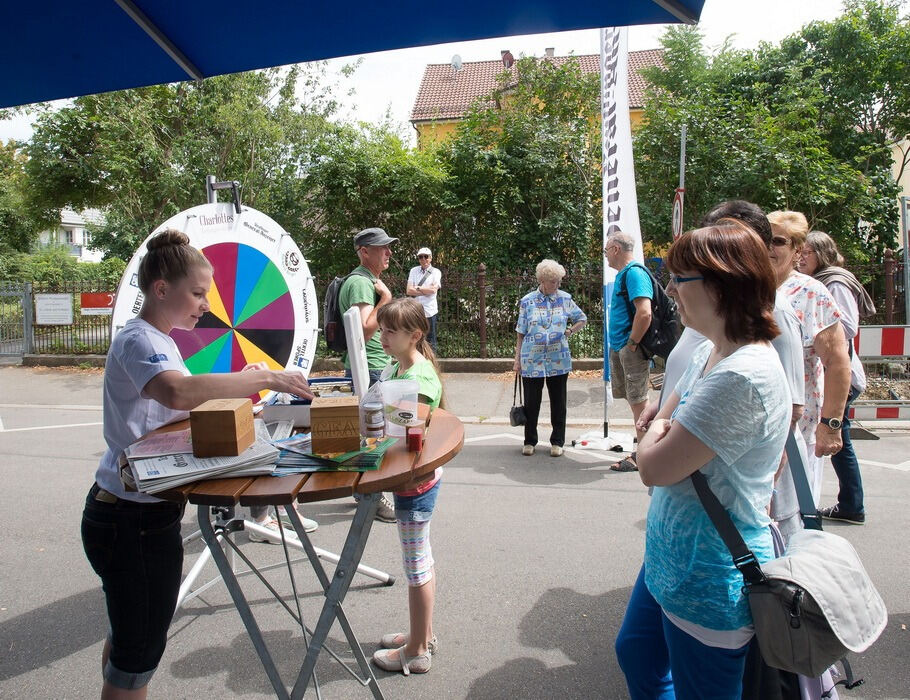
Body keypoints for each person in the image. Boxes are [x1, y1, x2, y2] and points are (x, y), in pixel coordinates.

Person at [80, 229, 315, 700]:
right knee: (136, 656)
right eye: (198, 293)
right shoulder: (140, 340)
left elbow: (176, 413)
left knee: (129, 641)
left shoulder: (161, 341)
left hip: (134, 512)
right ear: (160, 289)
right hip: (132, 518)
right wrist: (268, 376)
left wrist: (243, 387)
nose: (206, 305)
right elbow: (177, 393)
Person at [615, 224, 791, 699]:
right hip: (671, 558)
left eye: (678, 279)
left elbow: (651, 467)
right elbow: (661, 420)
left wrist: (654, 435)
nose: (669, 291)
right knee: (636, 653)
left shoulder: (741, 377)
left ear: (720, 284)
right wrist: (658, 432)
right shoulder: (712, 351)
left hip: (711, 577)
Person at [370, 298, 443, 675]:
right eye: (382, 329)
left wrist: (378, 412)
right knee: (421, 560)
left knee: (416, 567)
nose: (381, 336)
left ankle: (416, 650)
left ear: (414, 335)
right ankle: (422, 633)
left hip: (414, 483)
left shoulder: (419, 377)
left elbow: (411, 424)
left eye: (389, 331)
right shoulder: (396, 366)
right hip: (407, 477)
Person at [768, 211, 851, 505]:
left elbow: (838, 363)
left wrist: (831, 425)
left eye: (778, 241)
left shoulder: (811, 293)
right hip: (755, 432)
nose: (768, 247)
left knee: (792, 524)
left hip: (797, 434)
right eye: (763, 239)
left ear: (797, 250)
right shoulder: (748, 289)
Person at [800, 230, 876, 524]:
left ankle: (852, 505)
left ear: (823, 254)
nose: (801, 257)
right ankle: (851, 504)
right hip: (830, 371)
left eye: (808, 252)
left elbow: (847, 327)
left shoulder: (834, 281)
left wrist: (813, 323)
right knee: (837, 437)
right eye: (800, 251)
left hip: (841, 373)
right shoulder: (821, 280)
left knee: (837, 437)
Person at [339, 226, 398, 522]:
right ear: (365, 252)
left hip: (366, 365)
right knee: (374, 436)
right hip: (370, 366)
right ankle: (372, 498)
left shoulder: (362, 280)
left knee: (368, 433)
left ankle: (365, 493)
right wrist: (385, 298)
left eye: (388, 247)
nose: (388, 252)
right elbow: (364, 328)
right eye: (382, 248)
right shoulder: (363, 283)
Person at [512, 259, 587, 457]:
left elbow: (582, 318)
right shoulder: (527, 301)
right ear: (543, 281)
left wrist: (569, 331)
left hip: (558, 358)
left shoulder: (565, 299)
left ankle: (557, 441)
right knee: (531, 402)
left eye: (559, 280)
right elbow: (521, 332)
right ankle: (530, 441)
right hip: (532, 358)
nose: (558, 285)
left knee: (558, 402)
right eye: (554, 281)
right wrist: (517, 359)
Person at [603, 232, 653, 471]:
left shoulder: (634, 273)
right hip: (623, 347)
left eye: (605, 251)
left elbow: (645, 312)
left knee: (639, 403)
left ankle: (643, 455)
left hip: (630, 349)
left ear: (615, 249)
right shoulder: (626, 274)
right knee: (635, 402)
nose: (605, 256)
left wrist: (631, 343)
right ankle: (645, 449)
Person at [406, 247, 442, 352]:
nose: (423, 259)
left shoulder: (436, 272)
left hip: (429, 311)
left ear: (430, 258)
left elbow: (433, 290)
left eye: (426, 257)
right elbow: (408, 290)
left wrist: (417, 287)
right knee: (416, 338)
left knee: (431, 340)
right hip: (416, 311)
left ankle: (431, 363)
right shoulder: (413, 270)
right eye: (420, 257)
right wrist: (427, 290)